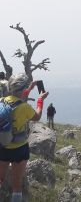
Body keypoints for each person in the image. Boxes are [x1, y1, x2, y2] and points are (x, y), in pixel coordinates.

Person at [0, 73, 48, 202]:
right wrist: (40, 100)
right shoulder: (25, 107)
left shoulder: (2, 100)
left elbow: (17, 98)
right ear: (22, 89)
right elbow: (37, 117)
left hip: (2, 147)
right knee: (17, 185)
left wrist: (30, 89)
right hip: (19, 149)